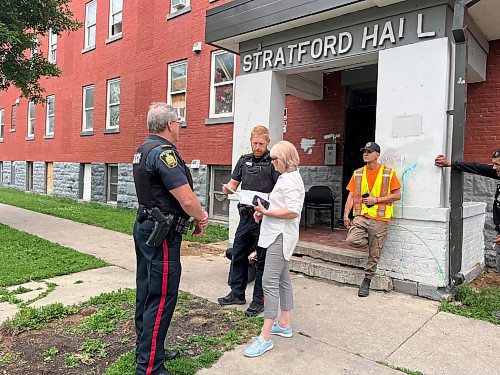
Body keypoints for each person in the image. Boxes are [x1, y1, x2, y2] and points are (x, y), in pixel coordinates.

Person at [132, 103, 209, 375]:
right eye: (178, 121)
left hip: (146, 227)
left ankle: (150, 349)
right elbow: (186, 198)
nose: (180, 125)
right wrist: (200, 217)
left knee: (146, 290)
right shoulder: (164, 154)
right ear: (169, 125)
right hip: (161, 233)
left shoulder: (143, 150)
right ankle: (150, 366)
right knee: (161, 296)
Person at [243, 140, 305, 357]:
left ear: (284, 160)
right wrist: (264, 210)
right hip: (276, 234)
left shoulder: (290, 181)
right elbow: (282, 206)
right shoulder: (287, 178)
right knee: (282, 278)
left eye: (274, 159)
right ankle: (285, 323)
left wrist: (267, 213)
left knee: (268, 280)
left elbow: (293, 211)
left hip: (280, 236)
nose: (271, 163)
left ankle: (265, 336)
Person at [218, 126, 280, 317]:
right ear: (251, 141)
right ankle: (237, 293)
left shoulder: (273, 163)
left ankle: (258, 301)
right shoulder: (244, 161)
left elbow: (279, 192)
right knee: (238, 254)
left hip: (263, 218)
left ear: (268, 142)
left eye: (261, 143)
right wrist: (227, 189)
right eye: (255, 143)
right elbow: (233, 184)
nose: (258, 146)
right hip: (245, 217)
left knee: (261, 259)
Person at [343, 142, 401, 297]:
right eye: (364, 151)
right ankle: (374, 241)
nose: (365, 154)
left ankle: (367, 280)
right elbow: (351, 195)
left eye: (369, 151)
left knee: (374, 254)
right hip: (361, 216)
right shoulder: (358, 173)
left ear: (377, 155)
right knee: (351, 240)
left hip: (380, 219)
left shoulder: (388, 173)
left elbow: (397, 195)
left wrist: (377, 200)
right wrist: (346, 214)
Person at [435, 150, 500, 273]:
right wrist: (450, 163)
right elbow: (477, 167)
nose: (494, 167)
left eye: (497, 164)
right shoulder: (497, 172)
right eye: (493, 164)